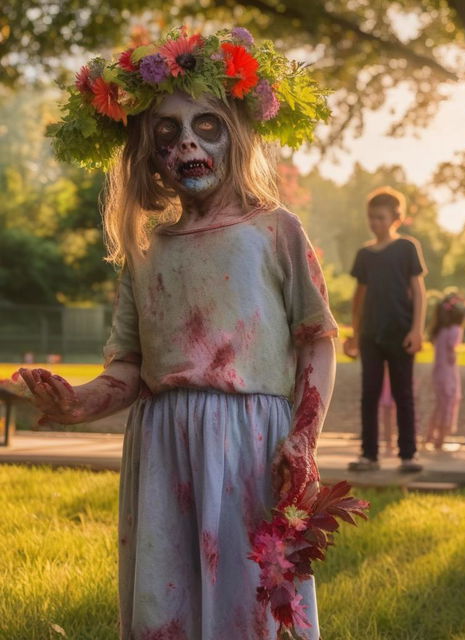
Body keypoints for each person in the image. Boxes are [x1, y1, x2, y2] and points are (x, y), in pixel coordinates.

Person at [12, 27, 337, 639]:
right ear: (146, 151)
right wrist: (78, 402)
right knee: (171, 598)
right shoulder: (147, 247)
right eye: (167, 131)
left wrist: (303, 437)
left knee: (252, 599)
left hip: (252, 443)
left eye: (205, 124)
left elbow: (316, 338)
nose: (186, 140)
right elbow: (130, 366)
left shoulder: (274, 229)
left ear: (236, 135)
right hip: (164, 446)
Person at [344, 186, 427, 472]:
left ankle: (408, 455)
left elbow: (418, 292)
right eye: (371, 217)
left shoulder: (407, 248)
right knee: (369, 394)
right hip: (370, 335)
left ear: (396, 218)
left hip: (401, 333)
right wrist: (354, 334)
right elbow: (359, 298)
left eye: (380, 217)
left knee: (404, 394)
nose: (375, 223)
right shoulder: (365, 255)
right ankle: (369, 454)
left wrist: (417, 330)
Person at [424, 292, 465, 450]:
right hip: (448, 373)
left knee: (439, 404)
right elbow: (452, 352)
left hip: (438, 372)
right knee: (448, 403)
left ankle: (430, 435)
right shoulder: (455, 330)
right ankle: (440, 439)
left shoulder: (440, 331)